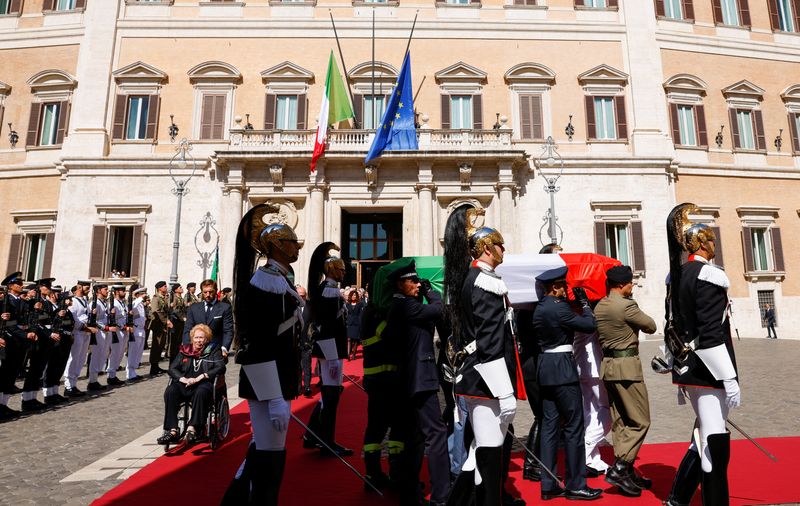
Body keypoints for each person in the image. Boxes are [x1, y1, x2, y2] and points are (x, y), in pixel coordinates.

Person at [221, 203, 303, 505]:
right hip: (269, 382)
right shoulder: (265, 281)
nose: (296, 246)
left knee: (265, 452)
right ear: (277, 246)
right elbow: (259, 344)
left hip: (278, 379)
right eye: (291, 241)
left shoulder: (280, 278)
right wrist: (274, 396)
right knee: (269, 459)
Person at [445, 207, 525, 506]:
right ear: (487, 248)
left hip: (479, 377)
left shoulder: (479, 277)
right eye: (500, 244)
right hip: (487, 380)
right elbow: (489, 341)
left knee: (479, 451)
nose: (504, 249)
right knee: (489, 454)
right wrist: (505, 392)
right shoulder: (483, 281)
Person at [663, 203, 741, 506]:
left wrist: (676, 367)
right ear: (701, 243)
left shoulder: (678, 275)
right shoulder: (709, 275)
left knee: (705, 434)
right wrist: (729, 377)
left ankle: (678, 498)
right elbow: (710, 333)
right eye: (711, 240)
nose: (714, 245)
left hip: (689, 367)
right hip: (708, 369)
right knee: (714, 439)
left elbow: (675, 326)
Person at [532, 267, 603, 501]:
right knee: (574, 426)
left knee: (550, 427)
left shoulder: (540, 308)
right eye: (563, 285)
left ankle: (548, 483)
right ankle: (576, 484)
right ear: (554, 287)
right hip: (562, 369)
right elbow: (589, 325)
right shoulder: (559, 307)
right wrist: (584, 304)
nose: (566, 289)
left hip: (545, 367)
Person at [385, 260, 450, 506]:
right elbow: (438, 309)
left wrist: (421, 292)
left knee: (414, 436)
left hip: (408, 379)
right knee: (436, 433)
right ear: (401, 284)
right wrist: (431, 292)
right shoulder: (405, 306)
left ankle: (410, 490)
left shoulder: (401, 305)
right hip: (419, 379)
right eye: (413, 281)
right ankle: (441, 493)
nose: (416, 285)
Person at [595, 265, 657, 497]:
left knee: (620, 420)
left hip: (608, 368)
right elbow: (651, 326)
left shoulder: (600, 305)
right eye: (630, 283)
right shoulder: (627, 306)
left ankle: (627, 470)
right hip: (627, 368)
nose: (633, 286)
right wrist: (634, 306)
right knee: (641, 420)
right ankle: (620, 468)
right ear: (621, 285)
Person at [303, 242, 353, 457]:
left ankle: (313, 434)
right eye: (341, 268)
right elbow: (330, 322)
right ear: (333, 270)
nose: (344, 272)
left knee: (329, 395)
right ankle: (326, 440)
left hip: (330, 346)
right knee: (331, 395)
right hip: (330, 347)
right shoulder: (330, 290)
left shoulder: (329, 289)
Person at [157, 323, 226, 446]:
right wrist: (183, 379)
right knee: (170, 391)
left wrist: (203, 376)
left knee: (201, 392)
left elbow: (220, 367)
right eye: (196, 337)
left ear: (207, 339)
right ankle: (172, 430)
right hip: (186, 383)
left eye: (202, 338)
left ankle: (193, 428)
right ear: (192, 338)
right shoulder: (185, 350)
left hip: (204, 384)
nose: (199, 341)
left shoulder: (213, 350)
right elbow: (172, 368)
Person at [21, 278, 62, 410]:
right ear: (40, 287)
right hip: (40, 339)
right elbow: (35, 323)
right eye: (46, 286)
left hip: (47, 340)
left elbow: (49, 320)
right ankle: (26, 399)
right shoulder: (34, 302)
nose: (48, 288)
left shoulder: (46, 302)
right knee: (34, 369)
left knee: (39, 370)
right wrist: (49, 333)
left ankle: (33, 397)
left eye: (49, 286)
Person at [0, 272, 36, 419]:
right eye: (19, 284)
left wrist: (30, 331)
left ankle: (3, 404)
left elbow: (26, 320)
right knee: (4, 373)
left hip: (19, 342)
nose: (22, 286)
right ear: (10, 286)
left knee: (12, 373)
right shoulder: (4, 301)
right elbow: (9, 325)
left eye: (22, 284)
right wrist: (24, 334)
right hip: (9, 340)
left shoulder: (23, 302)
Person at [182, 279, 234, 356]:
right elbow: (187, 330)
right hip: (196, 350)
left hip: (216, 350)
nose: (208, 295)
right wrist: (187, 347)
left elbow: (228, 330)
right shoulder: (193, 308)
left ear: (216, 291)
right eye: (205, 292)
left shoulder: (225, 308)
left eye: (210, 292)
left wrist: (224, 348)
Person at [42, 287, 74, 404]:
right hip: (56, 341)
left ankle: (54, 392)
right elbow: (50, 323)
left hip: (65, 341)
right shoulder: (53, 308)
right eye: (68, 299)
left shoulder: (66, 311)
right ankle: (47, 394)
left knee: (60, 367)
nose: (70, 301)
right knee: (51, 367)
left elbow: (70, 324)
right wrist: (58, 315)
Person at [63, 280, 92, 397]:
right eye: (86, 287)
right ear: (79, 287)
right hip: (77, 333)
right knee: (73, 358)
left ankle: (74, 384)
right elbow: (73, 319)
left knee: (80, 359)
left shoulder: (84, 301)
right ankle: (68, 385)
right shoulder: (73, 301)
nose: (88, 289)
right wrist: (85, 327)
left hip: (85, 333)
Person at [87, 284, 116, 391]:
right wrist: (106, 328)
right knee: (96, 356)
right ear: (99, 291)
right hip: (99, 332)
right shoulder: (94, 304)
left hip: (105, 332)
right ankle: (92, 381)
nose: (107, 291)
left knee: (103, 355)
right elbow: (94, 321)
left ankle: (95, 379)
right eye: (105, 289)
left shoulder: (104, 303)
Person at [105, 285, 128, 387]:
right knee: (114, 353)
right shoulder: (112, 303)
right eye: (123, 290)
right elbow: (111, 318)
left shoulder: (123, 303)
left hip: (123, 330)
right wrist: (121, 326)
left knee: (120, 353)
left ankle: (113, 373)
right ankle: (111, 375)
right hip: (117, 331)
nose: (125, 292)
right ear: (117, 292)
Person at [149, 281, 171, 376]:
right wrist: (166, 321)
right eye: (164, 286)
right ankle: (153, 367)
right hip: (158, 325)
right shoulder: (156, 298)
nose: (166, 287)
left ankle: (156, 365)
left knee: (161, 345)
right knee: (156, 346)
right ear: (159, 288)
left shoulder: (164, 298)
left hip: (162, 326)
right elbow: (156, 311)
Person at [127, 287, 148, 382]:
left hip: (141, 330)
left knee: (138, 353)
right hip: (135, 330)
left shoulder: (141, 305)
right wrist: (139, 298)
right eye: (143, 293)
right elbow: (132, 307)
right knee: (133, 352)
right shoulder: (135, 303)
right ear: (137, 295)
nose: (145, 295)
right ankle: (129, 373)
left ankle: (133, 371)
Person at [296, 285, 314, 398]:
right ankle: (297, 388)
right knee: (297, 368)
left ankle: (307, 387)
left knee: (307, 366)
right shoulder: (291, 306)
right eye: (299, 295)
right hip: (294, 343)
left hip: (306, 343)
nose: (301, 298)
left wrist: (311, 340)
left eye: (303, 295)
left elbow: (314, 324)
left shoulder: (310, 306)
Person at [168, 283, 187, 361]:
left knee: (179, 341)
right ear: (176, 290)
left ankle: (177, 359)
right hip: (176, 321)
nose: (182, 288)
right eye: (180, 287)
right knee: (175, 342)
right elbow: (175, 310)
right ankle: (173, 360)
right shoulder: (174, 298)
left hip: (180, 321)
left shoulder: (181, 298)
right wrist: (183, 318)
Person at [346, 290, 364, 360]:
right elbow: (346, 314)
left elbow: (360, 314)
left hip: (356, 323)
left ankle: (354, 354)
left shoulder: (360, 304)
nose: (354, 296)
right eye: (352, 295)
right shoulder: (347, 304)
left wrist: (360, 323)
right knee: (349, 339)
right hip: (349, 324)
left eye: (355, 295)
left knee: (356, 340)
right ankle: (348, 354)